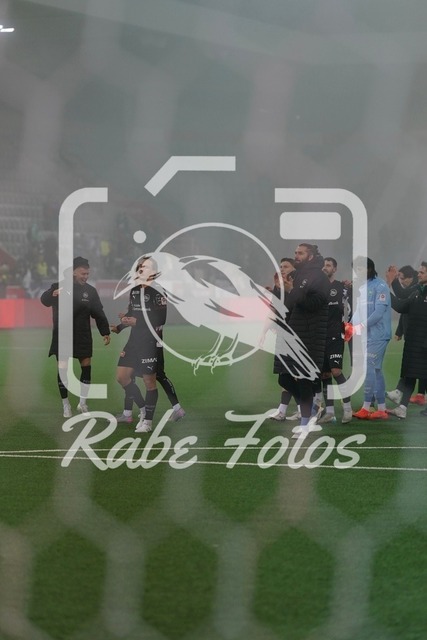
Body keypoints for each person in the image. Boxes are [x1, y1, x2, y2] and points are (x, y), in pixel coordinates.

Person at [40, 256, 111, 418]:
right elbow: (44, 300)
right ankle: (66, 405)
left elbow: (98, 312)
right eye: (83, 274)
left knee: (86, 366)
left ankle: (83, 403)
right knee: (63, 368)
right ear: (74, 272)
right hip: (62, 335)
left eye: (87, 274)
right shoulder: (58, 286)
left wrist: (105, 331)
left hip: (82, 334)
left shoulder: (90, 291)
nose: (86, 277)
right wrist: (52, 294)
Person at [274, 244, 330, 437]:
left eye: (300, 253)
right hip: (294, 333)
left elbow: (314, 304)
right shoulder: (298, 276)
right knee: (284, 377)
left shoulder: (319, 277)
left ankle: (305, 424)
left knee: (304, 379)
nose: (296, 256)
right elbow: (291, 305)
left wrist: (293, 291)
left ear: (311, 256)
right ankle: (312, 409)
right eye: (295, 252)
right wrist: (282, 290)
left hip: (311, 334)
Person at [111, 256, 168, 433]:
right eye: (140, 266)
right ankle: (143, 409)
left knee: (149, 382)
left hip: (149, 342)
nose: (142, 269)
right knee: (122, 377)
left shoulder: (158, 291)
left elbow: (161, 319)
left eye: (147, 267)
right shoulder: (135, 290)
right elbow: (132, 313)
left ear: (154, 272)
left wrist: (138, 322)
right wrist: (120, 326)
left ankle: (148, 423)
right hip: (133, 341)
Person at [349, 257, 392, 420]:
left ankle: (366, 407)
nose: (358, 271)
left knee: (369, 368)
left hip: (378, 334)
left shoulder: (380, 286)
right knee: (377, 370)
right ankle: (381, 409)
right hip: (367, 335)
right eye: (356, 269)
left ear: (370, 268)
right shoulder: (362, 287)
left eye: (361, 268)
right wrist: (349, 326)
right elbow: (358, 312)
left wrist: (360, 326)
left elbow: (378, 313)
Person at [384, 262, 427, 419]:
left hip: (423, 343)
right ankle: (402, 408)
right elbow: (400, 304)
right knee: (411, 373)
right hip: (414, 342)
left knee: (418, 373)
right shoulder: (418, 291)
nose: (418, 274)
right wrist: (390, 284)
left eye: (422, 272)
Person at [115, 333, 185, 424]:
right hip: (143, 344)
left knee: (157, 376)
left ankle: (175, 409)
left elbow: (147, 325)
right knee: (129, 376)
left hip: (149, 345)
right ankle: (129, 412)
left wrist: (120, 327)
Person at [316, 257, 353, 424]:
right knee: (324, 374)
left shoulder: (342, 288)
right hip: (320, 335)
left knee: (336, 371)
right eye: (324, 265)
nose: (325, 267)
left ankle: (347, 408)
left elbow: (351, 306)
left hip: (335, 335)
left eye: (329, 265)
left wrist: (351, 287)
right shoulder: (317, 288)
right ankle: (329, 411)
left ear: (335, 269)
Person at [269, 258, 302, 421]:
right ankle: (283, 410)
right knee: (284, 375)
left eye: (286, 266)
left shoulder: (299, 286)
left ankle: (305, 407)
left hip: (296, 336)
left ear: (294, 269)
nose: (282, 269)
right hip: (283, 335)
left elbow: (296, 309)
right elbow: (275, 310)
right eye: (281, 266)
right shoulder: (280, 288)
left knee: (294, 375)